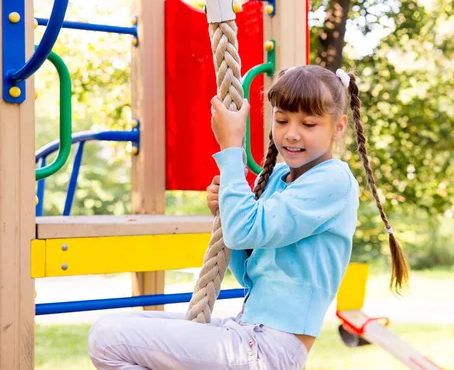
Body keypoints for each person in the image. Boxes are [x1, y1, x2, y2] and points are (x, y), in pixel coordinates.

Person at [87, 65, 409, 369]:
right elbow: (247, 270)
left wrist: (231, 148)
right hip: (248, 332)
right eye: (282, 121)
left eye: (308, 124)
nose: (292, 134)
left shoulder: (333, 181)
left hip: (270, 350)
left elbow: (246, 230)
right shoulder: (279, 178)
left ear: (338, 126)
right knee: (117, 326)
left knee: (107, 339)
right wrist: (226, 210)